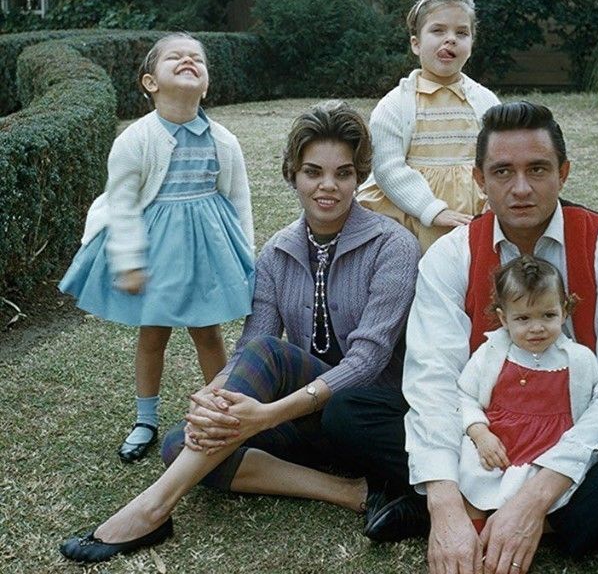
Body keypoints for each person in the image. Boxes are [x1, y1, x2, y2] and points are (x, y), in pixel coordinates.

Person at [323, 101, 598, 573]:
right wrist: (445, 505)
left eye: (537, 169)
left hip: (577, 424)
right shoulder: (451, 255)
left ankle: (506, 518)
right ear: (479, 180)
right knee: (350, 412)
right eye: (503, 172)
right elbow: (434, 381)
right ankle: (582, 518)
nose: (521, 188)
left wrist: (535, 497)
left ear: (563, 173)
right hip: (487, 435)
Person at [59, 101, 421, 564]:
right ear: (292, 174)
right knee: (181, 443)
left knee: (275, 360)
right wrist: (213, 398)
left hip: (366, 416)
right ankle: (353, 492)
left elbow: (368, 361)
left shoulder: (393, 245)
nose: (328, 186)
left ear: (359, 177)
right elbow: (251, 344)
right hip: (308, 424)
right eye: (313, 172)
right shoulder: (277, 252)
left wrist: (267, 416)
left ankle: (151, 508)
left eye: (343, 173)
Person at [59, 33, 255, 463]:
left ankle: (221, 410)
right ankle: (145, 418)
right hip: (157, 250)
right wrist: (129, 261)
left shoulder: (223, 140)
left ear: (205, 84)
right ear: (150, 82)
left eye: (197, 59)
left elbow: (239, 202)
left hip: (206, 248)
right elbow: (123, 203)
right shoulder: (135, 139)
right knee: (153, 334)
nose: (188, 61)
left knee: (208, 332)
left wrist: (246, 259)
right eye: (175, 57)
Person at [457, 254, 598, 536]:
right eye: (522, 318)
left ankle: (528, 530)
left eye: (548, 315)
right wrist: (480, 433)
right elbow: (464, 395)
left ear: (565, 311)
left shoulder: (580, 360)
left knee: (567, 496)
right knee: (470, 477)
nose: (536, 327)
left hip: (548, 455)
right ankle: (476, 531)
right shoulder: (493, 352)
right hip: (497, 446)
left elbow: (595, 410)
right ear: (503, 318)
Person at [357, 0, 499, 252]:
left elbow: (501, 157)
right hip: (413, 213)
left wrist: (496, 200)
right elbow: (388, 168)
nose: (450, 40)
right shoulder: (395, 105)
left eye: (461, 33)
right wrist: (431, 210)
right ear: (416, 43)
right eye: (438, 31)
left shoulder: (486, 102)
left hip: (474, 215)